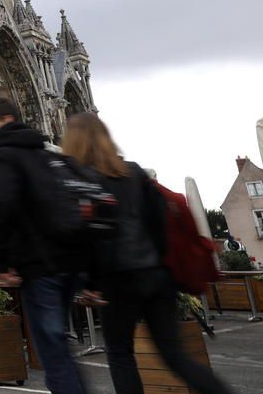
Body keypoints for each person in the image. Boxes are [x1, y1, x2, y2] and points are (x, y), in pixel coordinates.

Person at [62, 113, 235, 394]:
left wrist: (90, 282)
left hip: (118, 280)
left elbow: (88, 236)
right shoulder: (135, 172)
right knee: (174, 356)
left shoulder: (82, 180)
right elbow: (159, 225)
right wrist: (160, 265)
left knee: (120, 354)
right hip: (156, 275)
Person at [0, 97, 88, 394]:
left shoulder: (4, 153)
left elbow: (7, 205)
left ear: (6, 120)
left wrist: (2, 257)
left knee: (51, 346)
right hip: (68, 260)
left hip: (39, 264)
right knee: (56, 342)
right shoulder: (45, 151)